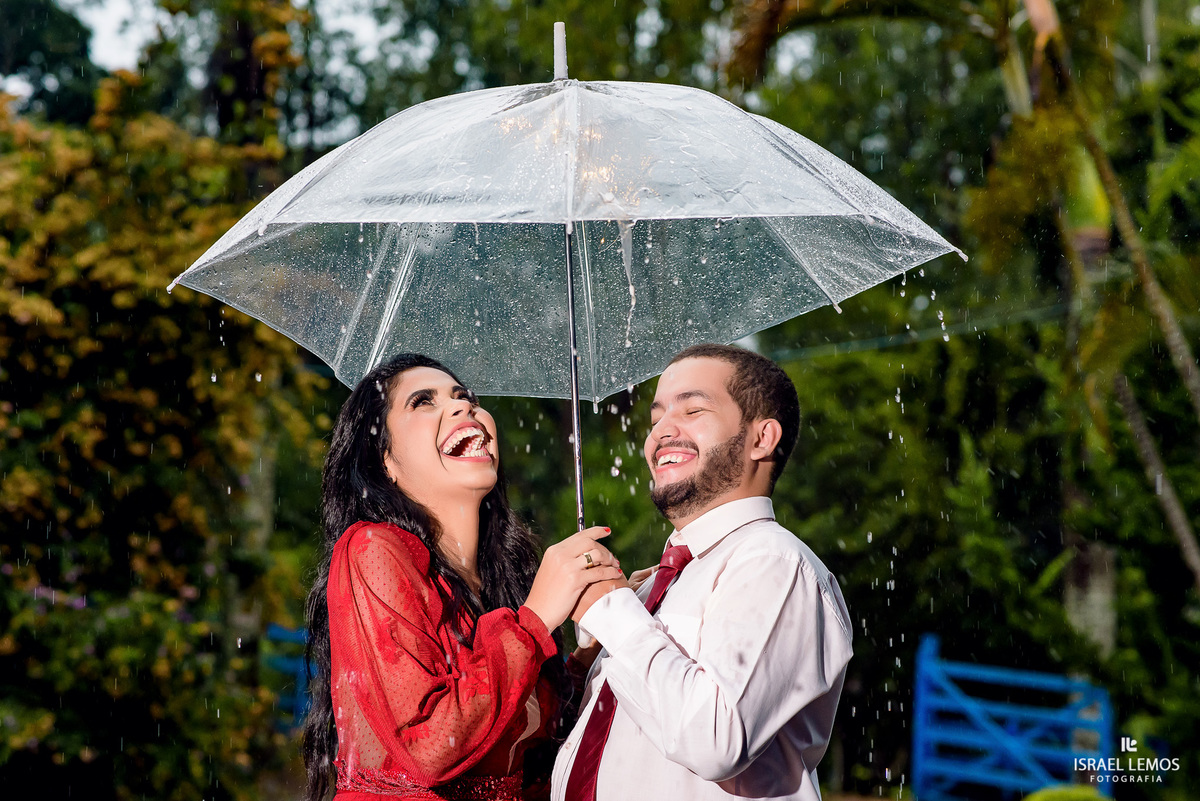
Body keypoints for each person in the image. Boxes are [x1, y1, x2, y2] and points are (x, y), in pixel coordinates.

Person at [302, 353, 623, 801]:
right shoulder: (372, 549)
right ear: (385, 461)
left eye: (464, 397)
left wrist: (593, 653)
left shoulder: (502, 585)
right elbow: (431, 746)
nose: (462, 407)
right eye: (422, 401)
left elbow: (532, 761)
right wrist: (535, 619)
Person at [552, 343, 854, 801]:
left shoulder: (775, 563)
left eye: (692, 410)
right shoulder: (651, 586)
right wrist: (592, 657)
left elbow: (716, 739)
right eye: (655, 420)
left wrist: (613, 613)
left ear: (761, 439)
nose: (661, 433)